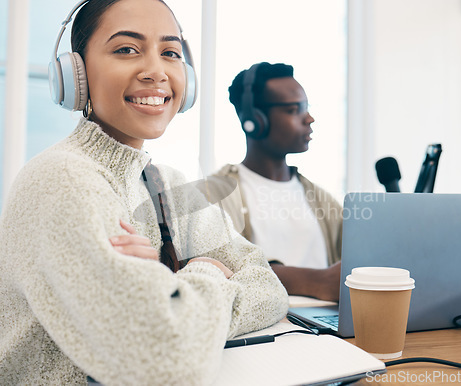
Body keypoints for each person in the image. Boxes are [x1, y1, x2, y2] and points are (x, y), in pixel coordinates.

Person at [0, 2, 288, 385]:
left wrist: (173, 297)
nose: (156, 71)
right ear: (76, 74)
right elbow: (167, 361)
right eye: (126, 49)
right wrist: (207, 271)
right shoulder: (61, 181)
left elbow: (269, 287)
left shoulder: (169, 184)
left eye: (170, 53)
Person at [211, 62, 343, 302]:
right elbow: (219, 269)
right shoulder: (215, 195)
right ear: (254, 120)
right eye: (294, 110)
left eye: (307, 108)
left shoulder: (320, 198)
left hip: (329, 326)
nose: (309, 118)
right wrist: (318, 281)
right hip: (263, 328)